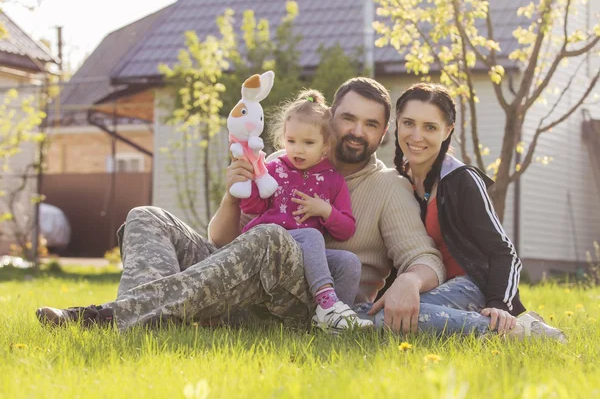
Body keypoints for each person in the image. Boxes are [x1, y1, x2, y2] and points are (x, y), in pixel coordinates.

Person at [36, 77, 445, 332]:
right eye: (348, 119)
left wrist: (409, 282)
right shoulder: (277, 165)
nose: (356, 131)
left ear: (383, 132)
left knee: (273, 236)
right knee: (146, 216)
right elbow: (222, 240)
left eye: (370, 124)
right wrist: (232, 195)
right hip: (237, 279)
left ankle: (109, 316)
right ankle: (147, 323)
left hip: (299, 306)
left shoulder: (389, 187)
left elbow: (424, 257)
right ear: (328, 118)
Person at [355, 82, 566, 342]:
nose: (416, 136)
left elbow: (504, 252)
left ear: (448, 131)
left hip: (472, 285)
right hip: (429, 287)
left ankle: (515, 331)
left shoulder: (460, 179)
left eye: (429, 127)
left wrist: (499, 304)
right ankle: (501, 330)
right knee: (362, 316)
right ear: (397, 123)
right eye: (409, 123)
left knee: (384, 318)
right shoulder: (397, 182)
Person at [240, 89, 372, 331]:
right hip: (269, 247)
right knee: (311, 236)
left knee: (349, 262)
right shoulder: (272, 169)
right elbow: (252, 208)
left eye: (308, 143)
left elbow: (346, 230)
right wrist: (250, 184)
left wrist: (325, 211)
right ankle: (326, 303)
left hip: (304, 257)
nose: (298, 150)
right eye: (291, 141)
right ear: (283, 140)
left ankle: (335, 321)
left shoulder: (334, 181)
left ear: (325, 146)